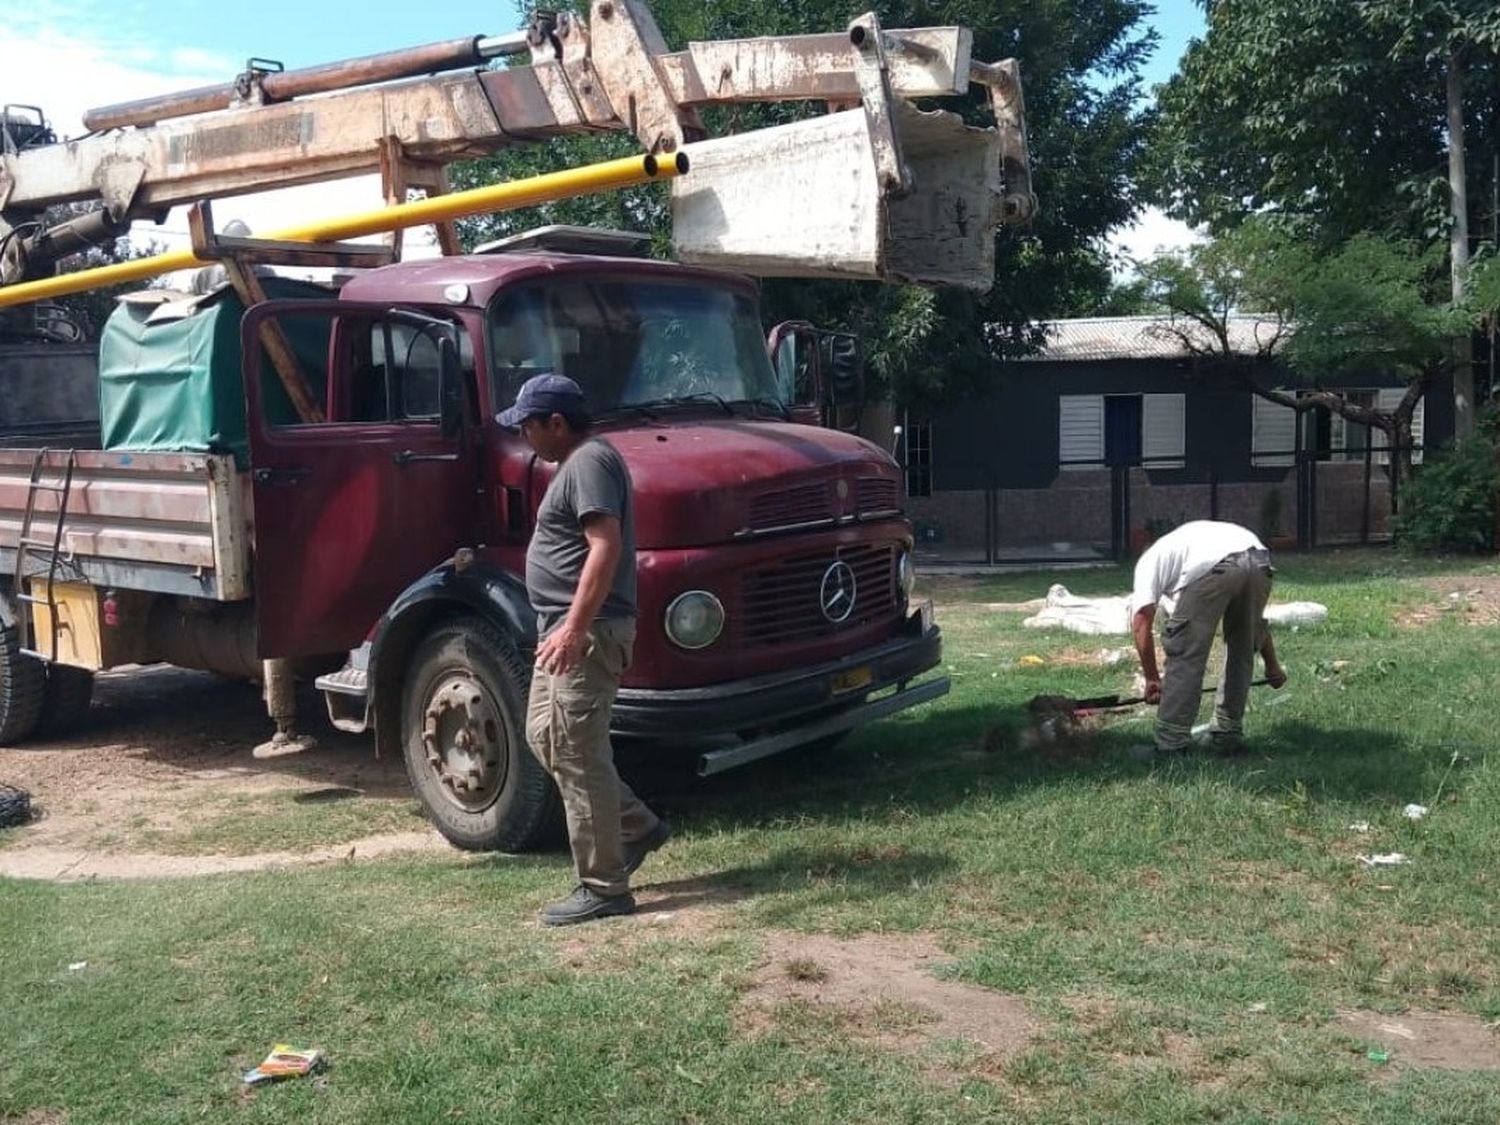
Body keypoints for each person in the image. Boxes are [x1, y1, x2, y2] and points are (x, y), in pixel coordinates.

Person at [499, 372, 671, 926]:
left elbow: (605, 544)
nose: (523, 435)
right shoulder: (577, 464)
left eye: (528, 424)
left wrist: (575, 628)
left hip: (586, 634)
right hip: (564, 630)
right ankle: (634, 826)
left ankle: (604, 886)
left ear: (556, 422)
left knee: (577, 751)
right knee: (545, 737)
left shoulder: (590, 462)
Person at [1129, 520, 1288, 754]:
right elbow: (1255, 625)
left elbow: (1141, 620)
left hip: (1215, 566)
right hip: (1258, 558)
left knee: (1186, 651)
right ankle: (1227, 734)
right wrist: (1272, 666)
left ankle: (1170, 744)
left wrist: (1152, 678)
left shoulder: (1148, 562)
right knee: (1242, 647)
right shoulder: (1185, 545)